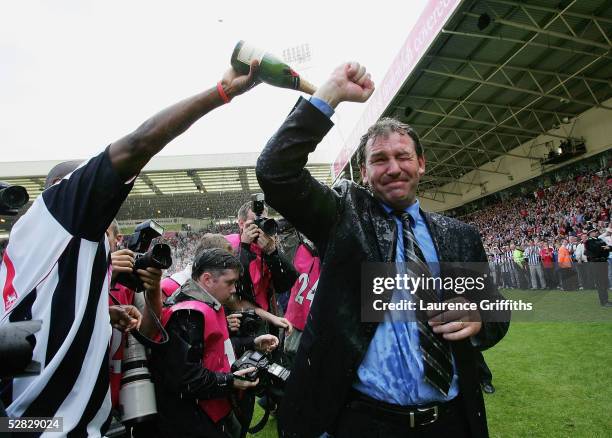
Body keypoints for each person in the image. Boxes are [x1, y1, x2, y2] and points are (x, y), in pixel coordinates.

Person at [0, 59, 260, 435]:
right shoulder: (61, 216)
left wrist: (103, 312)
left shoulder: (29, 253)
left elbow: (28, 339)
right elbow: (139, 143)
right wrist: (221, 92)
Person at [256, 62, 510, 437]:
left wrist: (480, 317)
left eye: (403, 156)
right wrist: (329, 96)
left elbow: (494, 310)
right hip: (366, 422)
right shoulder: (343, 219)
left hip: (451, 420)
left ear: (421, 164)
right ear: (362, 173)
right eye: (379, 159)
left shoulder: (459, 236)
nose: (393, 168)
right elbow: (276, 170)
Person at [149, 248, 279, 438]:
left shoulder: (205, 303)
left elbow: (216, 351)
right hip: (194, 420)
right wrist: (230, 381)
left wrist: (253, 343)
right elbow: (184, 378)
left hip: (208, 411)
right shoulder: (188, 314)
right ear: (207, 279)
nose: (234, 289)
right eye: (230, 283)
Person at [224, 201, 298, 336]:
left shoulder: (267, 245)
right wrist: (245, 247)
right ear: (241, 224)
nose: (261, 226)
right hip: (240, 321)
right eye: (255, 221)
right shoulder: (228, 245)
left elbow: (286, 283)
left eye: (263, 220)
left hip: (268, 318)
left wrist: (273, 253)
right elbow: (239, 289)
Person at [584, 226, 611, 306]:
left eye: (595, 231)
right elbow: (595, 250)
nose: (595, 232)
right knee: (600, 282)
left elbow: (607, 250)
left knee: (605, 282)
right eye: (592, 232)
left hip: (603, 262)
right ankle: (603, 301)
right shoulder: (588, 242)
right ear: (589, 234)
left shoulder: (600, 240)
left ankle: (606, 300)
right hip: (597, 263)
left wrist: (606, 249)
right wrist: (603, 249)